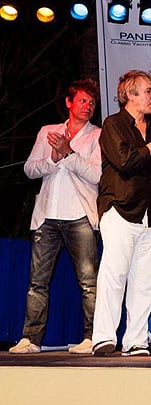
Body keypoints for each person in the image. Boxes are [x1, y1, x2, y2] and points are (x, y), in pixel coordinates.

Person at [10, 79, 102, 355]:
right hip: (47, 216)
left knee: (89, 282)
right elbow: (29, 169)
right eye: (83, 101)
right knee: (37, 281)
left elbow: (97, 176)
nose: (88, 107)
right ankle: (31, 338)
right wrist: (53, 157)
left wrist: (69, 153)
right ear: (69, 102)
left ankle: (92, 337)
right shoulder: (47, 131)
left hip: (81, 217)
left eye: (92, 103)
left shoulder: (97, 135)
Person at [91, 71, 151, 356]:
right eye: (149, 91)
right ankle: (103, 337)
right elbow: (127, 161)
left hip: (149, 214)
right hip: (119, 206)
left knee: (146, 280)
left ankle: (136, 340)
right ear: (130, 94)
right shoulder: (113, 124)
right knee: (114, 273)